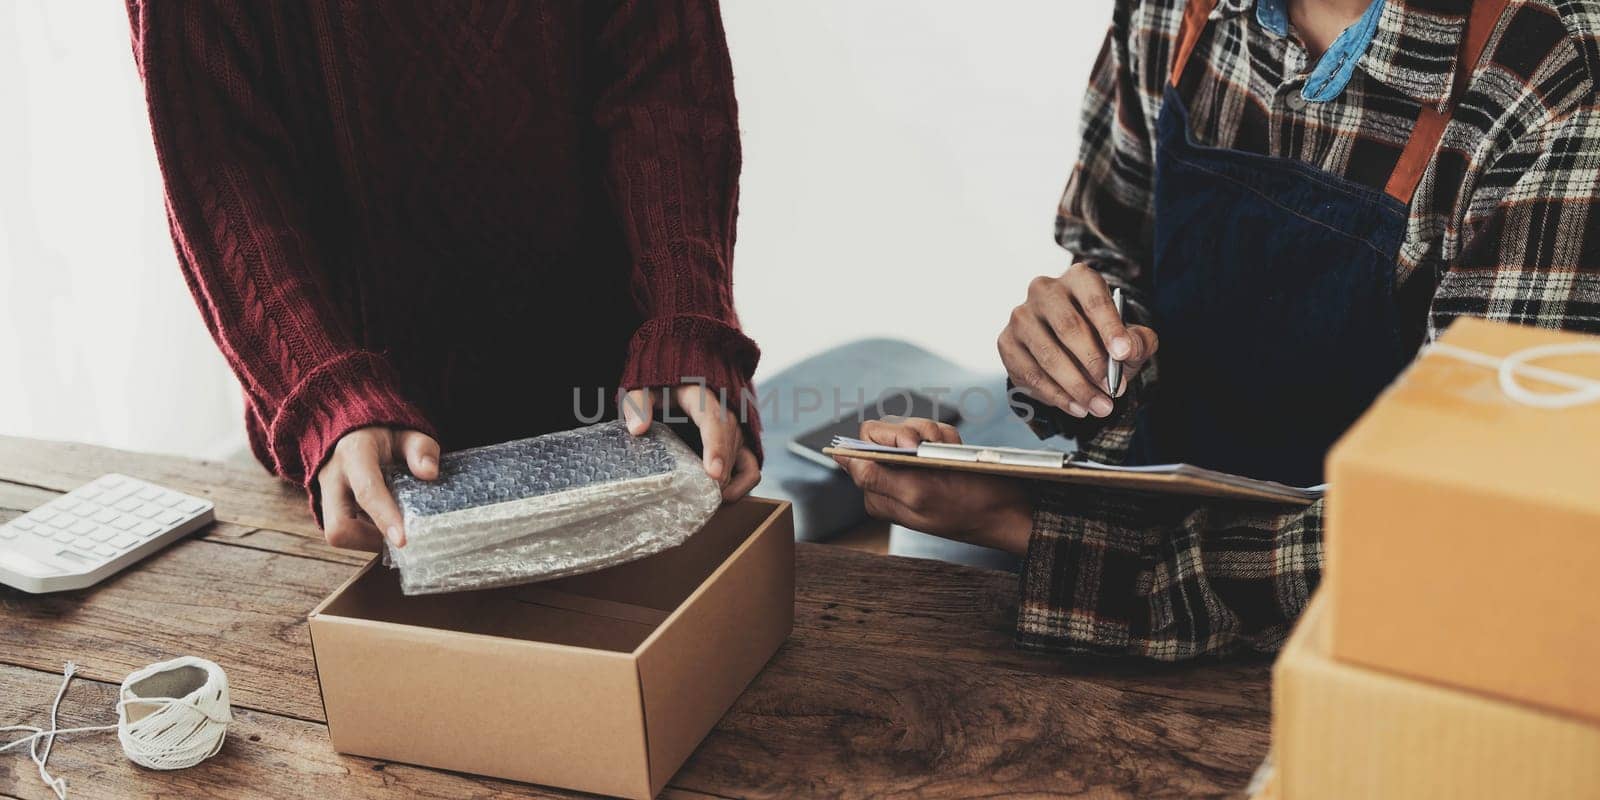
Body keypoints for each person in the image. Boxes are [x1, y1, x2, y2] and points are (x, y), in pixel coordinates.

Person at [838, 0, 1600, 659]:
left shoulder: (1552, 78)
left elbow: (1460, 530)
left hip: (1368, 639)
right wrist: (1084, 348)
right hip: (1134, 537)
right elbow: (1110, 249)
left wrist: (1030, 529)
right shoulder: (1175, 16)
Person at [126, 1, 762, 551]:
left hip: (625, 423)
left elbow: (663, 83)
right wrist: (324, 389)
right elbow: (219, 161)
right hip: (365, 467)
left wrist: (688, 322)